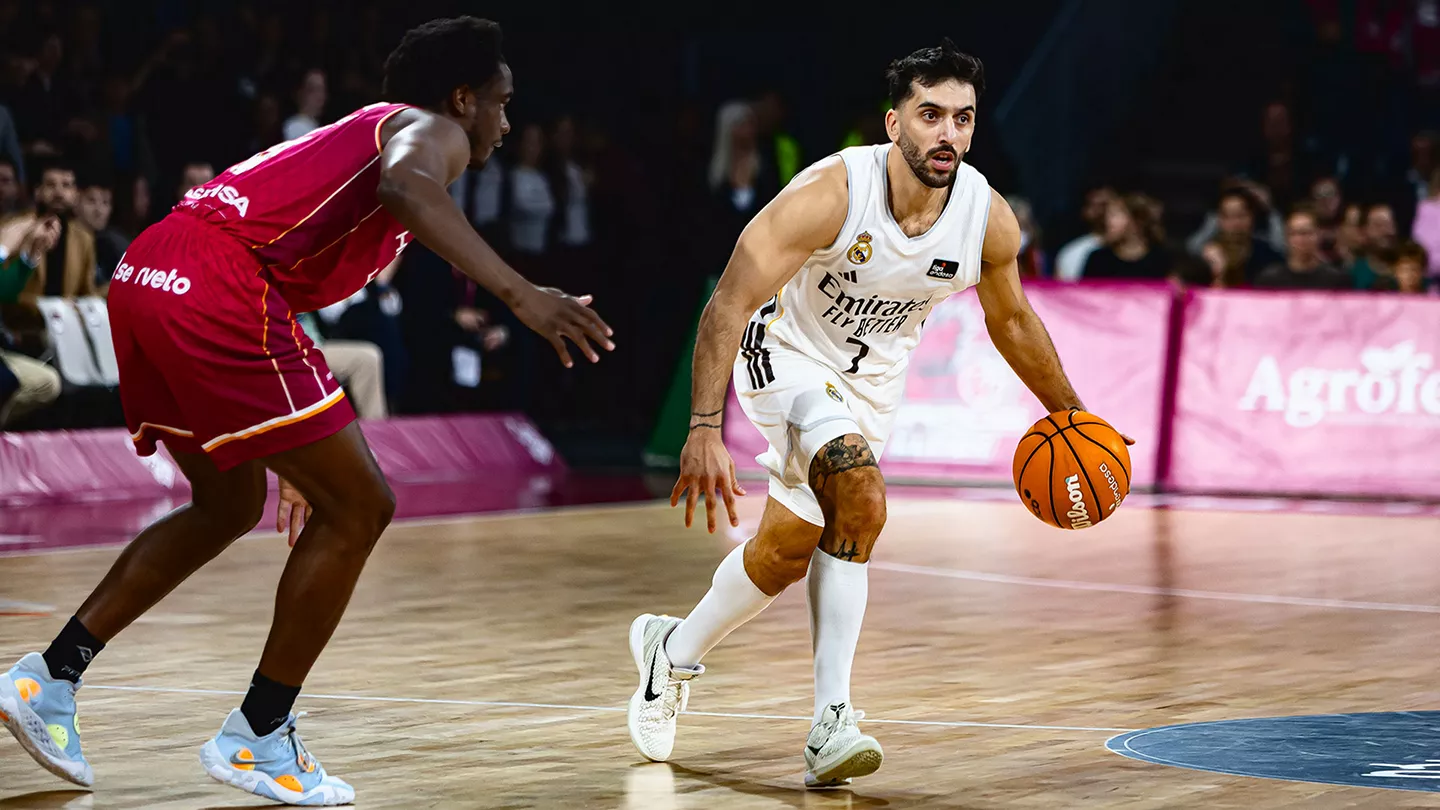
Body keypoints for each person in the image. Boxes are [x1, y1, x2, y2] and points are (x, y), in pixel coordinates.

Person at [0, 17, 612, 807]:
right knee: (363, 506)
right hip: (219, 283)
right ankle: (259, 733)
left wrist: (300, 449)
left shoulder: (359, 133)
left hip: (150, 269)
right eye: (502, 102)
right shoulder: (431, 133)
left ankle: (48, 678)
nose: (507, 121)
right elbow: (405, 187)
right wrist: (524, 295)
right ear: (462, 98)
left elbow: (294, 266)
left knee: (227, 504)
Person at [626, 40, 1131, 789]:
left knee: (784, 555)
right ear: (895, 124)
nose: (947, 134)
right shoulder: (832, 192)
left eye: (963, 118)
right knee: (860, 492)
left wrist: (1077, 419)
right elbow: (729, 300)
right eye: (931, 115)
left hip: (870, 387)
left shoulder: (983, 218)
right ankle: (834, 723)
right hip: (784, 354)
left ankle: (669, 654)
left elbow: (1014, 322)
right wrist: (703, 428)